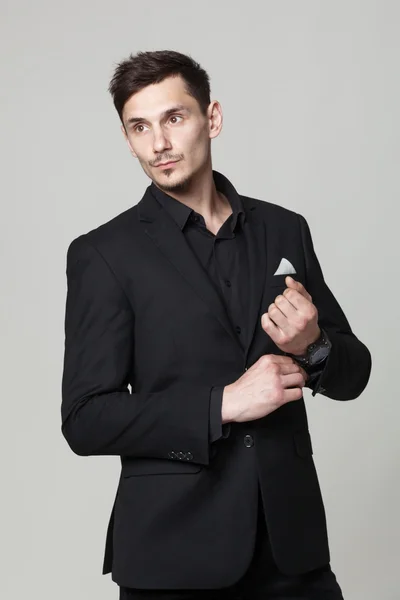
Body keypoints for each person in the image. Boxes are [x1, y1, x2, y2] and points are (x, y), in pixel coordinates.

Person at [61, 50, 372, 600]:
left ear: (213, 118)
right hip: (173, 556)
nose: (158, 143)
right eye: (140, 127)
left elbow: (352, 375)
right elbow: (85, 419)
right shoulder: (103, 254)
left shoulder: (284, 230)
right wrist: (222, 403)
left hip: (292, 554)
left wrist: (315, 346)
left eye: (174, 118)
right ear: (128, 138)